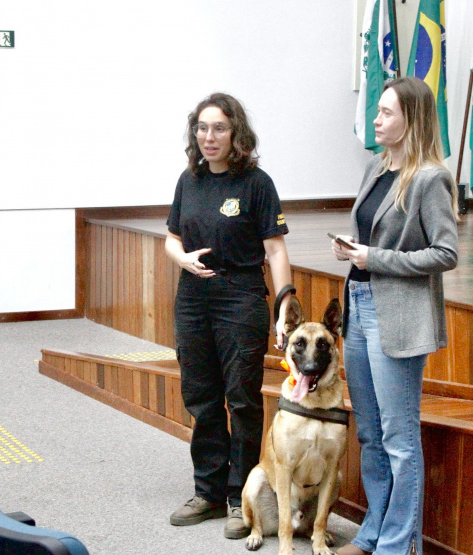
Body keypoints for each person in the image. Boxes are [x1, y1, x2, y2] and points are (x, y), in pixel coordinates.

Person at [331, 77, 459, 555]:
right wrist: (355, 253)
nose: (376, 120)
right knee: (369, 433)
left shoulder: (430, 179)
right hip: (360, 308)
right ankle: (372, 534)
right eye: (378, 111)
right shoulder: (375, 168)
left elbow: (445, 253)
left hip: (397, 317)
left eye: (385, 113)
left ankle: (399, 546)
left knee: (399, 437)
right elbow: (373, 236)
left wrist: (375, 258)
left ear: (411, 120)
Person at [166, 92, 293, 540]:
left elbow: (276, 250)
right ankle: (207, 492)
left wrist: (283, 307)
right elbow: (171, 239)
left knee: (241, 400)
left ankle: (242, 498)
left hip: (240, 298)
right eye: (202, 128)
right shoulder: (189, 180)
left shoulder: (256, 183)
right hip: (193, 300)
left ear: (235, 132)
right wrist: (181, 259)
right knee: (201, 397)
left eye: (219, 128)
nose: (209, 136)